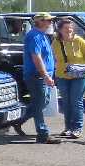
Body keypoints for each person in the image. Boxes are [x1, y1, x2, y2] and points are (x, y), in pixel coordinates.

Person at [52, 17, 85, 138]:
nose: (69, 30)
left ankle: (77, 128)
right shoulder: (56, 42)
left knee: (76, 102)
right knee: (66, 102)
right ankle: (68, 127)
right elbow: (52, 58)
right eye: (66, 28)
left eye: (71, 27)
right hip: (62, 75)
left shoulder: (80, 41)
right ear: (59, 30)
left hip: (79, 76)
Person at [23, 12, 61, 144]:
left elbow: (46, 54)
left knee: (41, 103)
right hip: (36, 76)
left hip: (44, 75)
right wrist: (45, 75)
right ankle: (43, 134)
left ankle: (18, 119)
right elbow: (36, 58)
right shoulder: (34, 36)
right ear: (40, 22)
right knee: (39, 105)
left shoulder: (43, 35)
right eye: (48, 20)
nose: (51, 23)